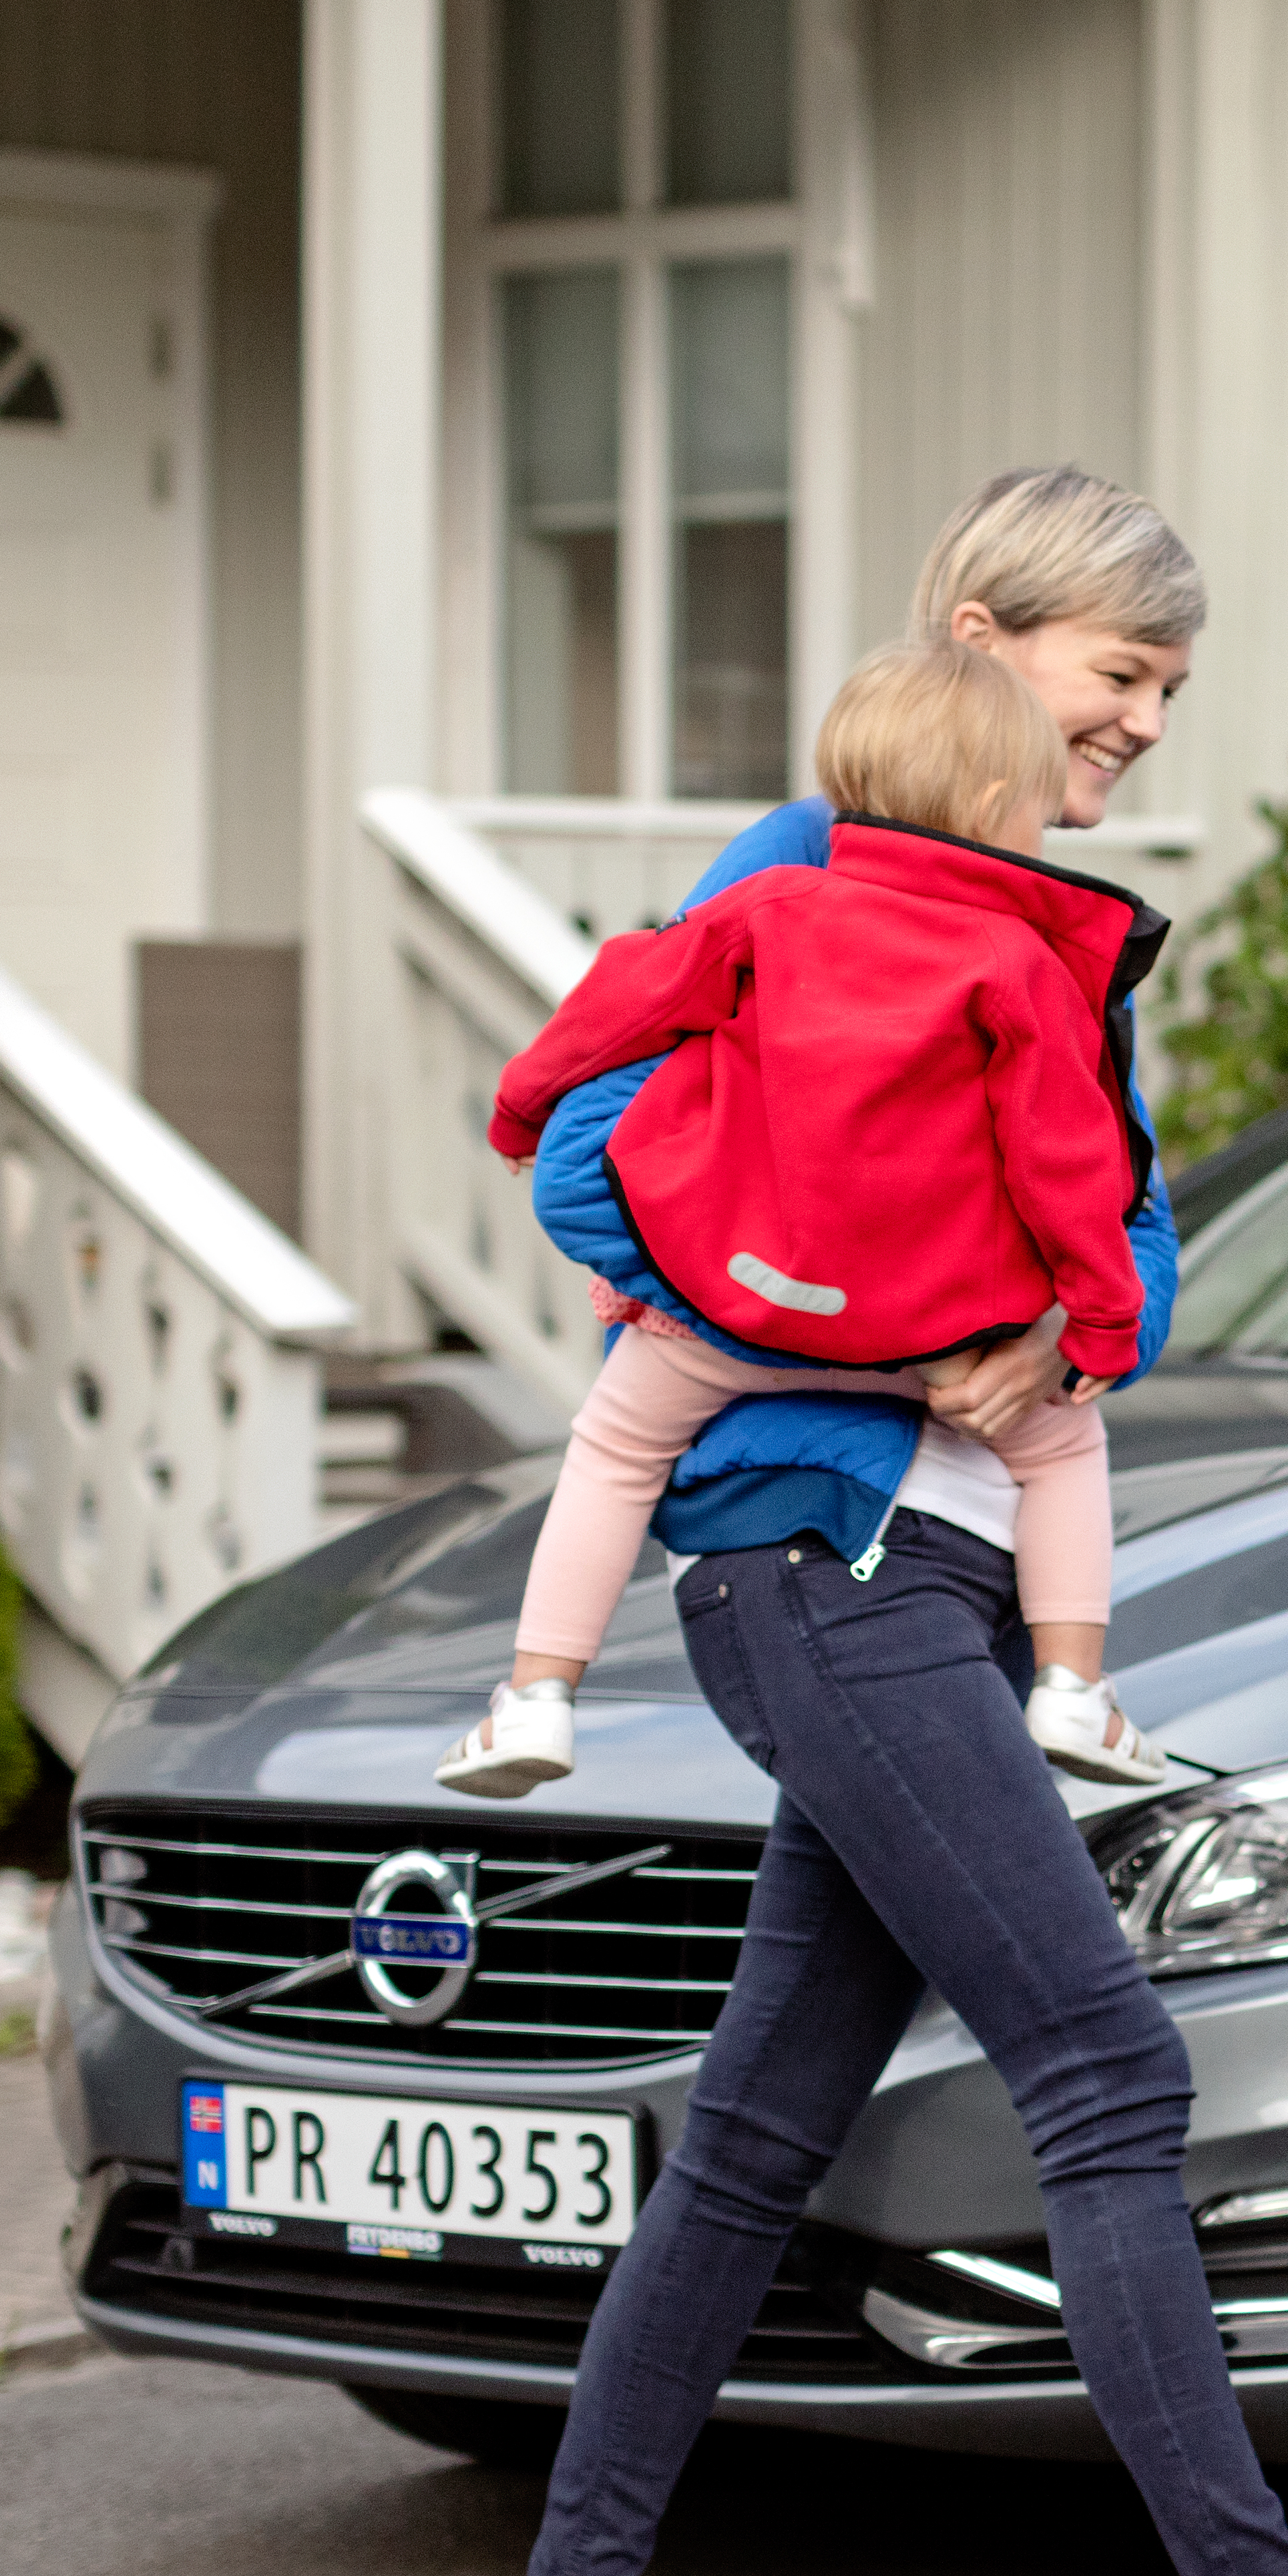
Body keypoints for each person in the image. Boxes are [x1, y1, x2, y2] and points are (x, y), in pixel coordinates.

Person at [465, 467, 1288, 2576]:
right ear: (982, 637)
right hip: (824, 1560)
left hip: (927, 1564)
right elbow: (577, 1159)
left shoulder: (1039, 913)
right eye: (1117, 673)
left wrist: (1042, 1325)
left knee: (760, 2129)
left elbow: (1122, 1226)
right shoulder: (808, 872)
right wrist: (859, 1325)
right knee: (1107, 2070)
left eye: (1167, 688)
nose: (1140, 721)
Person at [437, 640, 1165, 1803]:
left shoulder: (768, 904)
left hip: (728, 1312)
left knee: (614, 1449)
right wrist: (1100, 1325)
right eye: (1035, 811)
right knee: (1064, 1447)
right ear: (993, 802)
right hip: (928, 1343)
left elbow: (616, 1009)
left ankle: (536, 1698)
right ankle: (1076, 1687)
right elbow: (1066, 1162)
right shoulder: (1019, 962)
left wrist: (520, 1110)